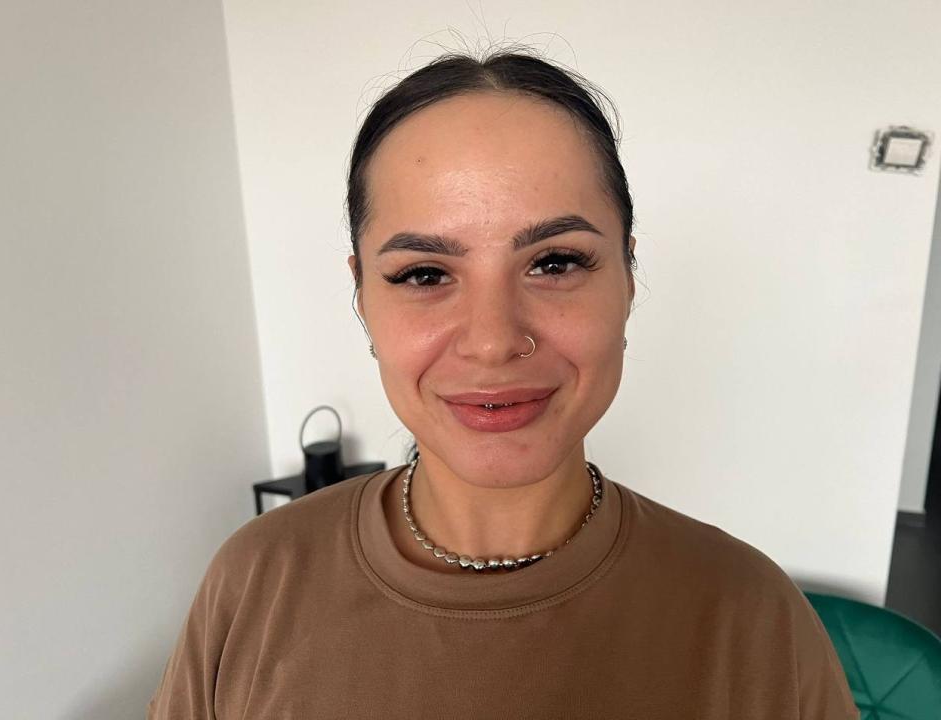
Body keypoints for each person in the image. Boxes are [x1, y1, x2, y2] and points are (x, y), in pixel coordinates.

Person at [147, 48, 859, 719]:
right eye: (424, 274)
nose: (492, 341)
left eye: (554, 263)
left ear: (629, 277)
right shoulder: (253, 582)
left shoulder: (754, 618)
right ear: (362, 295)